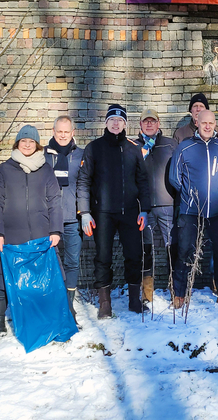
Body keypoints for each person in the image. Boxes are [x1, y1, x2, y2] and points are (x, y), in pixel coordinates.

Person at [77, 105, 152, 317]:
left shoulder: (134, 149)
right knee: (103, 257)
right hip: (102, 214)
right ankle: (105, 304)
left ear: (125, 124)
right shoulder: (94, 148)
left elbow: (143, 181)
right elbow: (83, 180)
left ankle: (134, 301)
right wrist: (84, 212)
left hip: (130, 212)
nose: (116, 124)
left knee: (134, 256)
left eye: (120, 120)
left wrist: (144, 209)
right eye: (112, 120)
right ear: (106, 122)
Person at [0, 124, 63, 334]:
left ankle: (38, 318)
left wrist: (55, 230)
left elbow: (55, 200)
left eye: (31, 141)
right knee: (2, 279)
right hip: (11, 235)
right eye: (23, 141)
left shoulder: (46, 169)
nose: (27, 145)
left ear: (38, 145)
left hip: (40, 234)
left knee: (40, 281)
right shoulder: (5, 169)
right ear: (17, 144)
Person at [168, 109, 218, 308]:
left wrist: (217, 194)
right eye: (204, 123)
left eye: (211, 123)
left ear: (215, 125)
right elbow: (175, 177)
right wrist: (191, 195)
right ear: (196, 122)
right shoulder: (184, 147)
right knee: (185, 252)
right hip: (190, 211)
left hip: (217, 211)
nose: (207, 126)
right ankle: (180, 294)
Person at [134, 108, 178, 302]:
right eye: (146, 121)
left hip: (167, 204)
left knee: (172, 248)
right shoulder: (133, 146)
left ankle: (176, 289)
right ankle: (147, 293)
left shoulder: (170, 144)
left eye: (153, 121)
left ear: (158, 124)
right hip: (143, 207)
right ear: (141, 125)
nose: (149, 124)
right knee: (146, 249)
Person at [44, 115, 84, 318]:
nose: (62, 135)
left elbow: (86, 184)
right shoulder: (42, 156)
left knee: (72, 263)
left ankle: (69, 305)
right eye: (59, 131)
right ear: (53, 131)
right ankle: (52, 301)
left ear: (72, 133)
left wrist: (85, 212)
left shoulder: (81, 155)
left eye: (66, 132)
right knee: (49, 262)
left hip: (72, 218)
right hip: (48, 219)